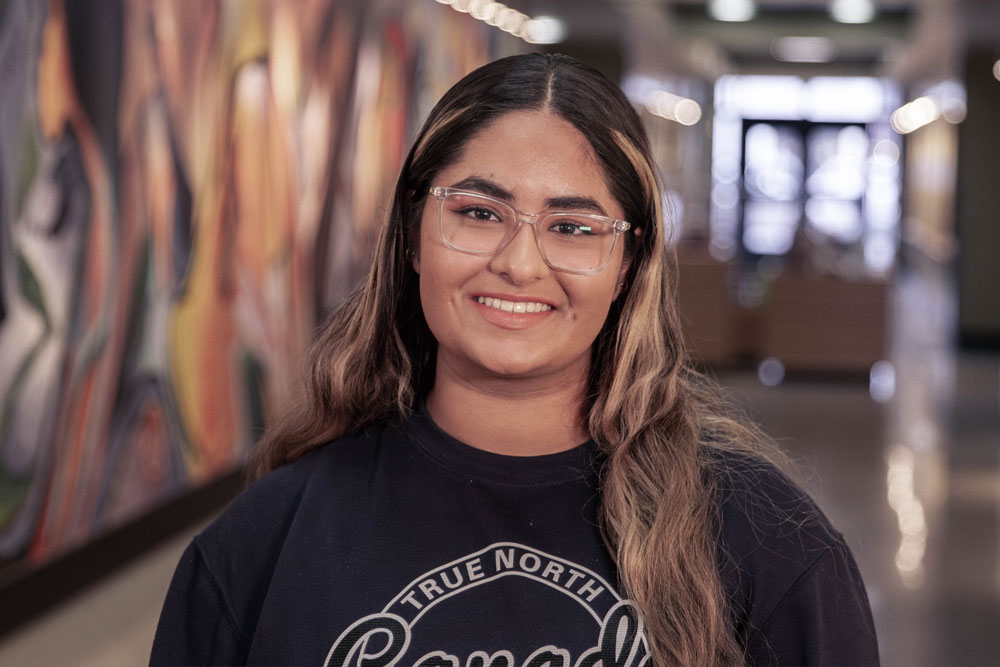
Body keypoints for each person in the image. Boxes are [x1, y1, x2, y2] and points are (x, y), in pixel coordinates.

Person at [150, 53, 879, 666]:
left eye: (572, 226)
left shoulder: (766, 547)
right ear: (412, 233)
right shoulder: (264, 543)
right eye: (477, 212)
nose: (520, 263)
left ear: (627, 264)